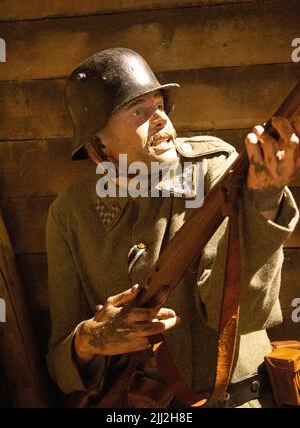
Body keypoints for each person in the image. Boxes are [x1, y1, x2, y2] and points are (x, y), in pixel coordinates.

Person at [46, 48, 299, 408]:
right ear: (98, 146)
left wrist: (265, 200)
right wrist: (89, 339)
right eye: (139, 111)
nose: (160, 118)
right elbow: (59, 362)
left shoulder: (216, 171)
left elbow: (246, 312)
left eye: (160, 105)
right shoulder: (69, 214)